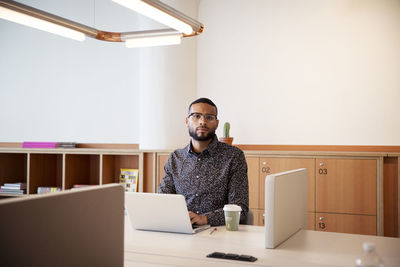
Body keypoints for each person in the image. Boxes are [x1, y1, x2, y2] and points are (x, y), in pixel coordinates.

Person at [159, 98, 249, 226]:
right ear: (187, 121)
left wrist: (205, 219)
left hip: (219, 235)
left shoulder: (233, 157)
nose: (202, 122)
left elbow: (240, 209)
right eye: (196, 116)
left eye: (209, 117)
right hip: (180, 231)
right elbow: (163, 200)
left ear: (217, 123)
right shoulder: (175, 158)